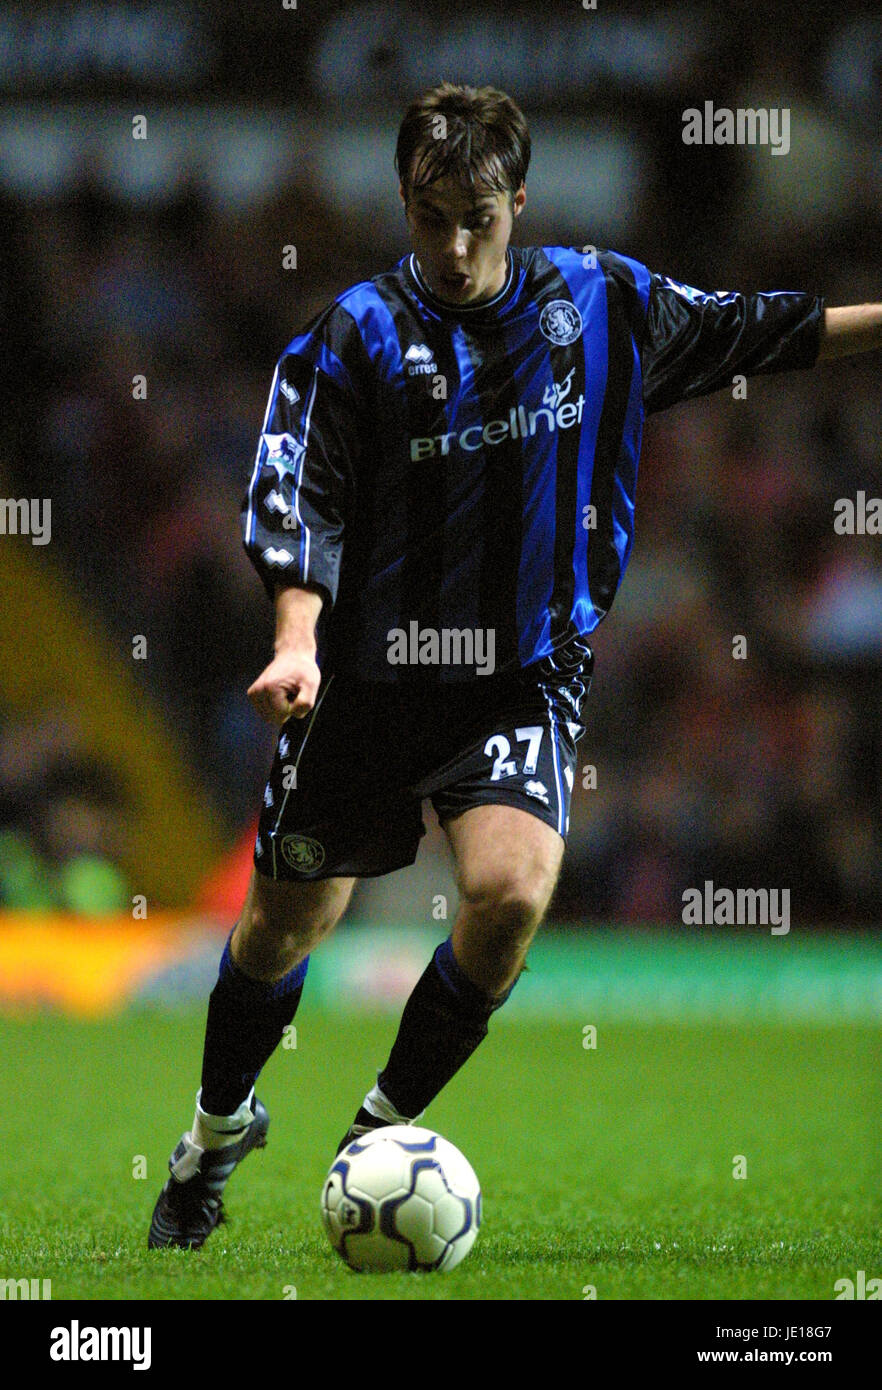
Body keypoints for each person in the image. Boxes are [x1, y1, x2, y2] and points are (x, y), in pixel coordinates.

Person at [148, 81, 882, 1249]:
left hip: (522, 673)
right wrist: (295, 642)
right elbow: (300, 500)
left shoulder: (601, 302)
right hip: (366, 680)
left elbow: (764, 328)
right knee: (283, 929)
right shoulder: (353, 337)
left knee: (512, 896)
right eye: (429, 215)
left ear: (520, 202)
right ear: (404, 201)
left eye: (476, 217)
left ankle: (372, 1137)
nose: (451, 244)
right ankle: (210, 1139)